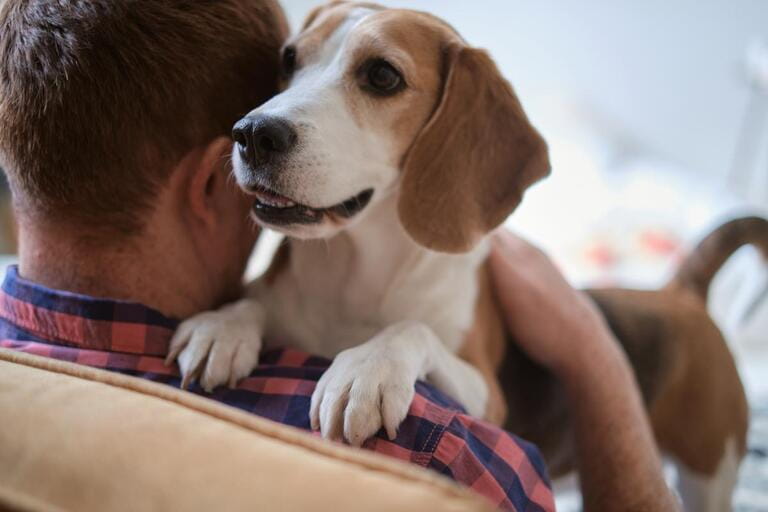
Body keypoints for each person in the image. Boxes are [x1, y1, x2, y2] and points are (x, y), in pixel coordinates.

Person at [0, 1, 676, 511]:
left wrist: (396, 341)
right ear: (209, 183)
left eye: (377, 77)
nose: (280, 110)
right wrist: (593, 355)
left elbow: (482, 386)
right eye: (294, 63)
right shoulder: (446, 459)